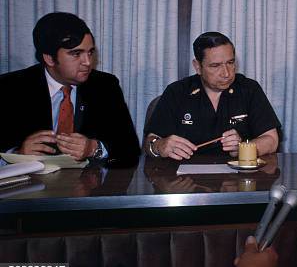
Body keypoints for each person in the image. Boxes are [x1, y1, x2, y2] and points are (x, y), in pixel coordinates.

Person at [0, 12, 140, 166]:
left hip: (88, 185)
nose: (87, 62)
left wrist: (94, 148)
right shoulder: (10, 88)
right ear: (49, 58)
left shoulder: (105, 85)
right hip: (29, 186)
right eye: (76, 54)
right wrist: (17, 154)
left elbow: (130, 148)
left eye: (90, 52)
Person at [143, 32, 281, 160]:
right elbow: (151, 140)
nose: (226, 73)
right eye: (215, 66)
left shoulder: (249, 89)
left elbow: (271, 140)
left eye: (230, 63)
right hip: (184, 178)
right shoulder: (177, 92)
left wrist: (243, 149)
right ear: (197, 66)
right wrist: (159, 146)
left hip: (237, 176)